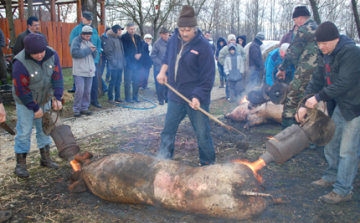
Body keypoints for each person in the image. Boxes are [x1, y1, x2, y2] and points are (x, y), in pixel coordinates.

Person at [295, 21, 360, 204]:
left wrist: (318, 97)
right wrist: (304, 104)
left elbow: (344, 82)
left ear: (336, 40)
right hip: (341, 105)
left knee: (348, 150)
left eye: (325, 43)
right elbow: (316, 78)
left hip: (356, 107)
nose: (321, 47)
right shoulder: (326, 54)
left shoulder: (352, 52)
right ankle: (331, 176)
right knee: (331, 142)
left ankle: (343, 190)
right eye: (319, 43)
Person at [156, 5, 216, 166]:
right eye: (182, 29)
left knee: (203, 134)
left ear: (194, 28)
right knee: (168, 131)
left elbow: (208, 77)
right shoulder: (174, 39)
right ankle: (164, 162)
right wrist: (162, 72)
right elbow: (167, 57)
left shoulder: (204, 47)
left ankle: (208, 166)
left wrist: (197, 96)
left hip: (197, 97)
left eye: (188, 29)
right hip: (176, 94)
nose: (184, 33)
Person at [12, 33, 63, 178]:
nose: (39, 55)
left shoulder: (52, 55)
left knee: (45, 129)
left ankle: (45, 158)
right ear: (28, 51)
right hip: (25, 101)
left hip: (45, 97)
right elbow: (21, 90)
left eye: (41, 52)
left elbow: (57, 77)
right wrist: (34, 108)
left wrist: (57, 97)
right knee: (24, 131)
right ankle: (20, 165)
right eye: (35, 53)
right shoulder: (20, 63)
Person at [276, 6, 318, 129]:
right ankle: (311, 138)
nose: (295, 24)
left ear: (300, 18)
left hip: (305, 73)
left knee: (292, 100)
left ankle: (288, 134)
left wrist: (282, 68)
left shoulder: (304, 29)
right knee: (311, 102)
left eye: (294, 21)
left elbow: (292, 53)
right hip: (319, 75)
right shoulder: (319, 28)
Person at [68, 11, 102, 109]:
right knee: (80, 89)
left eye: (91, 19)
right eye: (88, 19)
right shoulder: (76, 31)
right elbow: (73, 49)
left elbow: (98, 42)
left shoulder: (93, 30)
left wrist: (97, 52)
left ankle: (91, 102)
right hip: (81, 65)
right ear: (82, 18)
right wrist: (88, 51)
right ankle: (78, 108)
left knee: (92, 85)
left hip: (92, 63)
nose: (90, 21)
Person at [70, 25, 97, 117]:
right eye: (86, 36)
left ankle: (84, 108)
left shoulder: (90, 41)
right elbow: (75, 53)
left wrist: (94, 50)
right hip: (79, 70)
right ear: (82, 34)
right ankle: (76, 109)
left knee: (87, 91)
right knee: (80, 90)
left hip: (90, 70)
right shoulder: (76, 41)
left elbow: (94, 55)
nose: (88, 37)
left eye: (89, 36)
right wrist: (89, 50)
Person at [218, 34, 246, 100]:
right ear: (228, 41)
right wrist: (226, 65)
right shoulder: (225, 49)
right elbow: (220, 58)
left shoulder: (239, 47)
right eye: (231, 40)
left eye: (233, 39)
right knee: (229, 84)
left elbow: (244, 54)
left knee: (238, 84)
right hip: (229, 70)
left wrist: (242, 60)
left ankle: (238, 96)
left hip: (237, 70)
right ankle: (229, 96)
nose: (233, 41)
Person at [121, 23, 143, 103]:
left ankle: (135, 96)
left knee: (136, 80)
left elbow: (141, 46)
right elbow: (125, 49)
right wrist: (134, 55)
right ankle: (127, 97)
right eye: (131, 29)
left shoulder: (137, 37)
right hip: (129, 62)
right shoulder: (124, 37)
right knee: (128, 80)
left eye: (134, 29)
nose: (133, 30)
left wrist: (140, 53)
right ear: (127, 29)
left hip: (137, 62)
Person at [104, 24, 126, 105]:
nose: (120, 31)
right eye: (119, 30)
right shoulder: (110, 39)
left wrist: (123, 62)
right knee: (112, 82)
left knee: (119, 81)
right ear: (115, 30)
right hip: (114, 66)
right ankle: (110, 98)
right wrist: (114, 63)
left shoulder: (118, 39)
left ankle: (118, 97)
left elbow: (122, 52)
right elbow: (108, 53)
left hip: (120, 65)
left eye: (121, 30)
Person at [151, 27, 169, 105]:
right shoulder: (157, 44)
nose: (166, 36)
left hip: (169, 67)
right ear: (161, 35)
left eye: (167, 34)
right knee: (160, 84)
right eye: (164, 34)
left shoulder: (171, 43)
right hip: (159, 67)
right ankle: (161, 99)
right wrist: (161, 63)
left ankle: (168, 99)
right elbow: (153, 56)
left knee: (169, 83)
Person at [99, 27, 110, 92]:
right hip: (103, 55)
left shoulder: (110, 38)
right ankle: (100, 76)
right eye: (108, 31)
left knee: (109, 67)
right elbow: (100, 45)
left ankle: (107, 78)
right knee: (102, 67)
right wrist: (102, 51)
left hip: (109, 55)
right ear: (106, 31)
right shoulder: (102, 37)